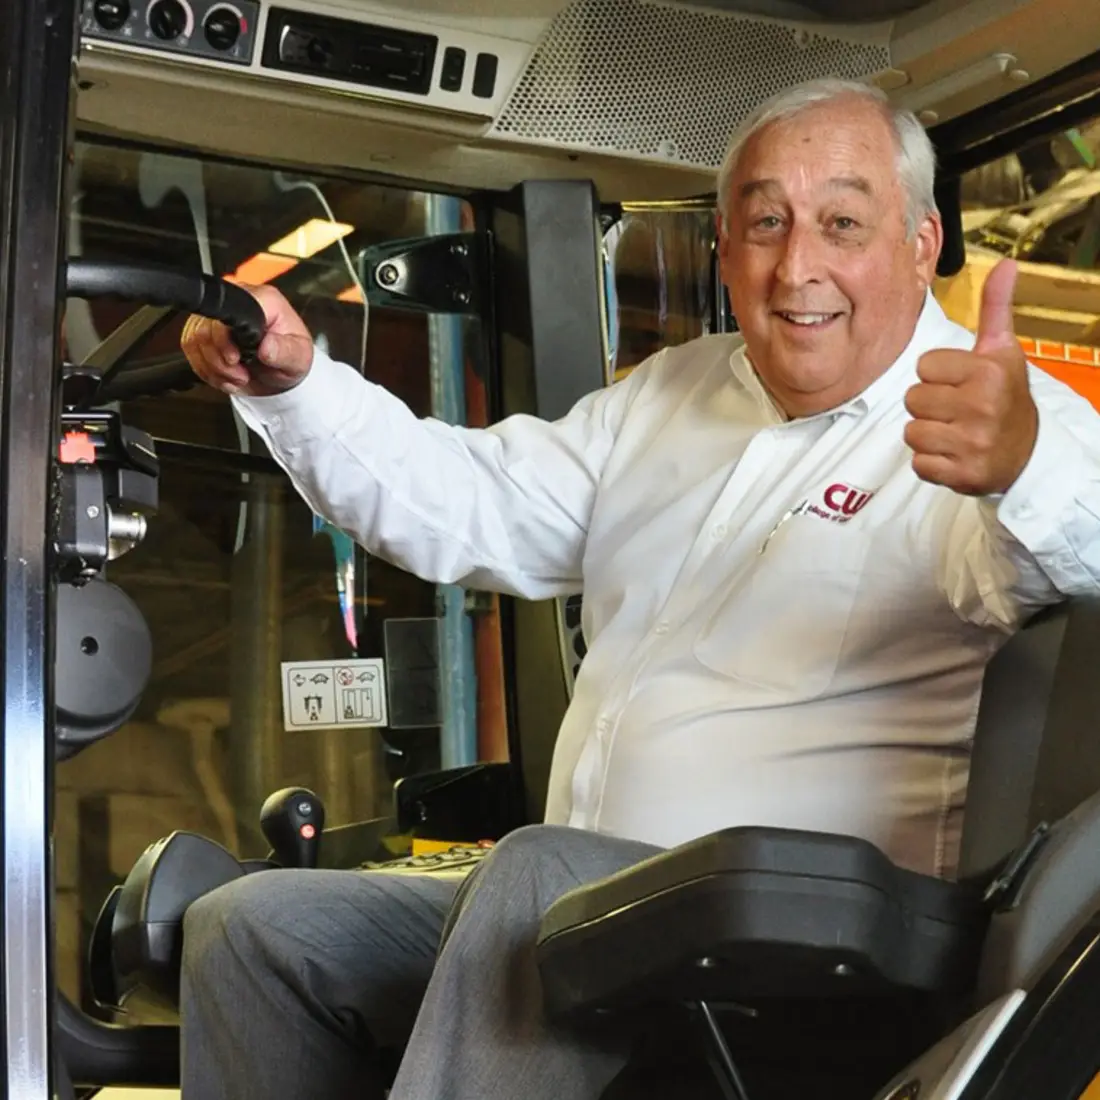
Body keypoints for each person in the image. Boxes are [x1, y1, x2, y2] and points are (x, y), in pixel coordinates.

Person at [177, 77, 1100, 1100]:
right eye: (764, 222)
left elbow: (1076, 555)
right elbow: (466, 503)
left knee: (536, 875)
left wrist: (1020, 465)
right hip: (596, 911)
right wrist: (296, 388)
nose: (798, 265)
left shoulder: (987, 416)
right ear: (722, 245)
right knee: (252, 926)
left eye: (841, 222)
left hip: (808, 952)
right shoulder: (671, 391)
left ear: (921, 242)